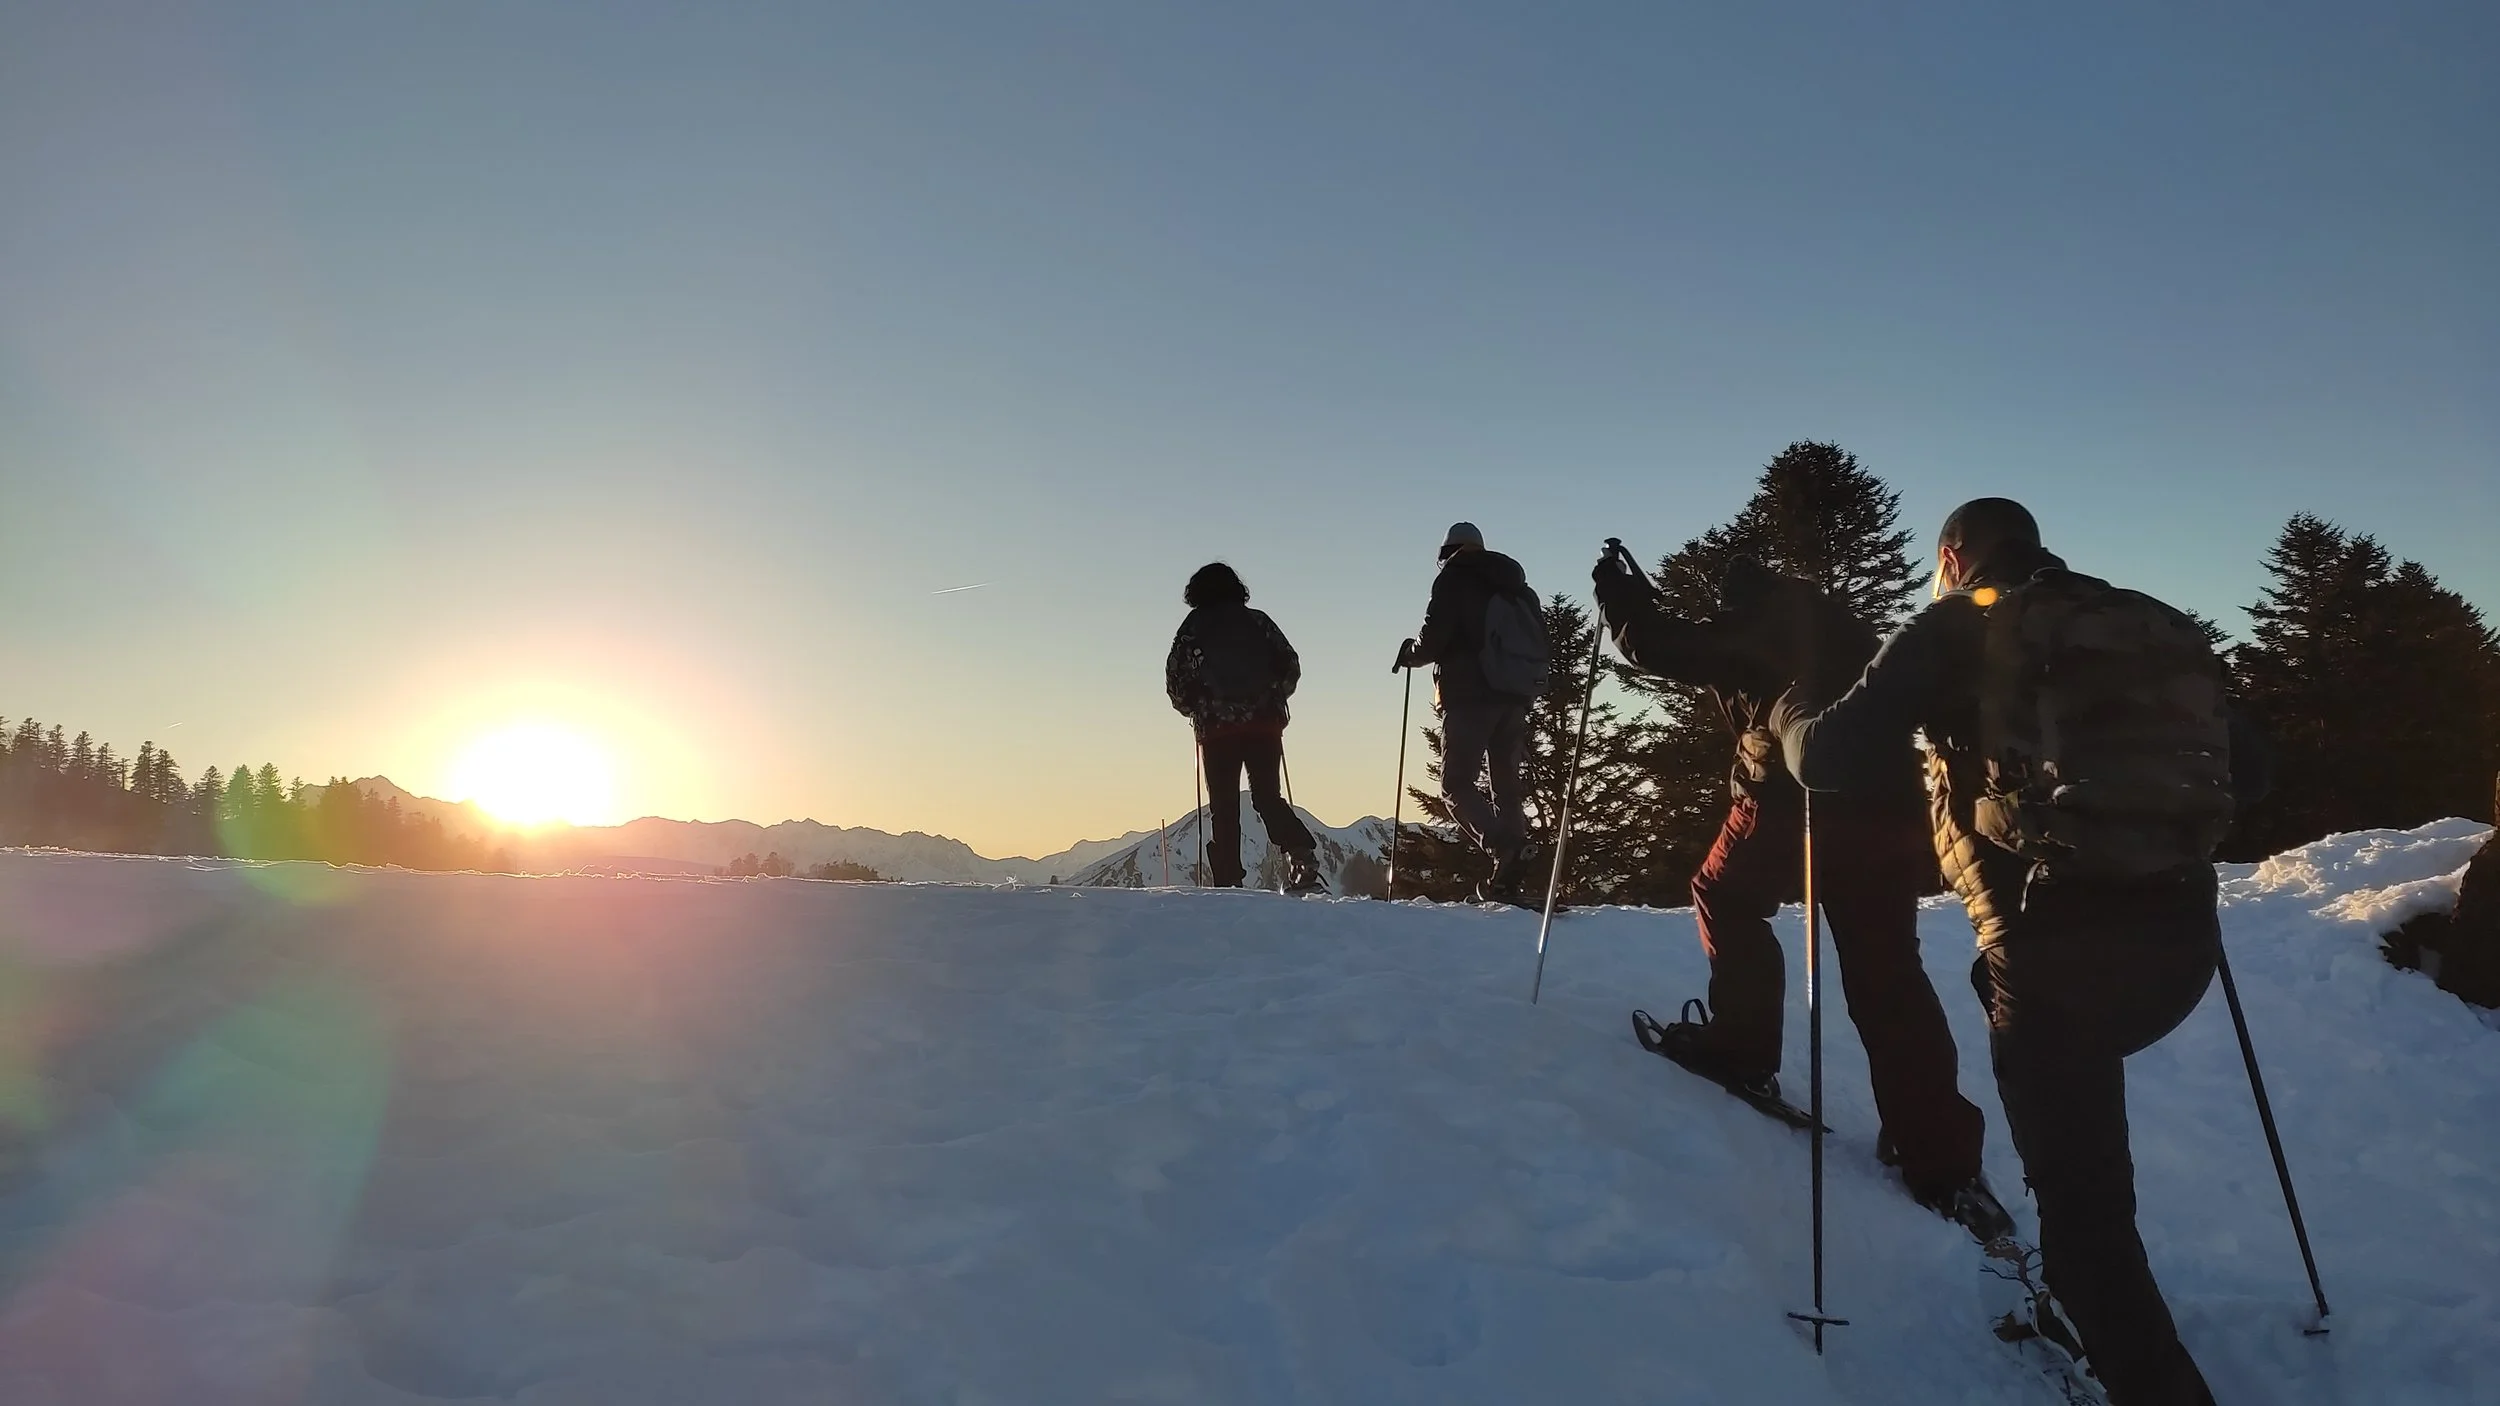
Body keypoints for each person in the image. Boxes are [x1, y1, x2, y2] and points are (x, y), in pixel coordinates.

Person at [1776, 498, 2264, 1406]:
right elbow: (2254, 767)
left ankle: (2132, 1357)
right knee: (2084, 1153)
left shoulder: (1958, 623)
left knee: (2086, 1231)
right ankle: (2108, 1310)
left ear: (1954, 556)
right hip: (2182, 944)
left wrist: (1792, 711)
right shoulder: (2149, 620)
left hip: (2053, 957)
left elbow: (1827, 756)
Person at [1589, 546, 2003, 1238]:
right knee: (1887, 972)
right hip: (1890, 810)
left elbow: (1659, 646)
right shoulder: (1844, 625)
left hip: (1790, 804)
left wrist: (1619, 596)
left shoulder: (1754, 625)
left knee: (1723, 895)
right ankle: (1940, 1156)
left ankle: (1742, 1048)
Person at [1394, 522, 1547, 901]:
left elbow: (1432, 641)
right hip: (1515, 698)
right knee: (1507, 789)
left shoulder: (1453, 580)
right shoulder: (1518, 587)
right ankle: (1510, 874)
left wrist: (1409, 654)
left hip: (1469, 696)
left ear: (1448, 552)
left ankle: (1503, 851)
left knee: (1456, 786)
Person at [1166, 562, 1325, 893]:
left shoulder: (1192, 628)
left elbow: (1176, 681)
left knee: (1224, 807)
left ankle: (1228, 880)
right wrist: (1274, 697)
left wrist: (1194, 707)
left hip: (1216, 729)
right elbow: (1290, 664)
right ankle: (1301, 857)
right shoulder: (1258, 621)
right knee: (1267, 796)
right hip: (1263, 725)